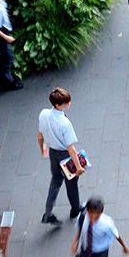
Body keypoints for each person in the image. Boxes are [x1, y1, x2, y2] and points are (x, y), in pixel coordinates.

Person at [38, 87, 84, 224]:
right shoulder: (65, 124)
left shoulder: (44, 114)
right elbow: (71, 149)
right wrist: (78, 167)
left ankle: (48, 212)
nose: (69, 104)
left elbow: (40, 136)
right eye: (66, 102)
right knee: (71, 182)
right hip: (65, 155)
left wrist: (42, 149)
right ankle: (75, 208)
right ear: (58, 105)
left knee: (56, 179)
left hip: (53, 152)